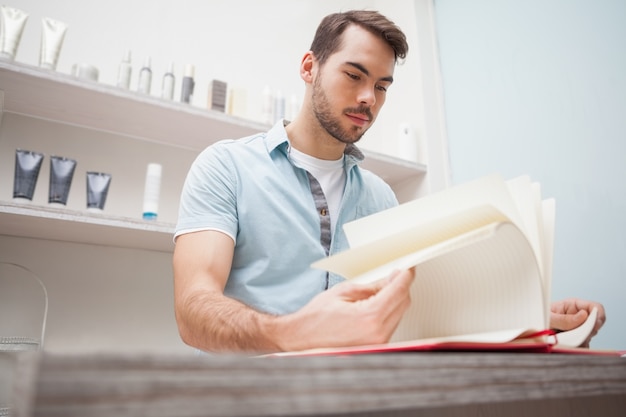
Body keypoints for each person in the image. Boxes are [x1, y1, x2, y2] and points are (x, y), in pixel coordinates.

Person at [173, 10, 605, 354]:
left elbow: (425, 309)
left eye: (382, 86)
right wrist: (289, 332)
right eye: (354, 75)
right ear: (309, 67)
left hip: (355, 394)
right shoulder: (225, 167)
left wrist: (535, 314)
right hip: (247, 394)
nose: (368, 99)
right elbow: (193, 310)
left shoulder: (380, 196)